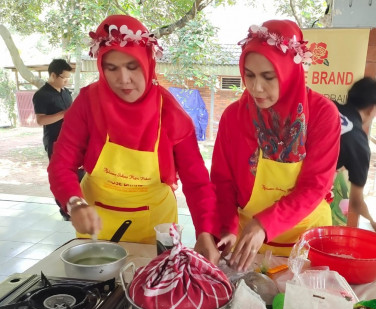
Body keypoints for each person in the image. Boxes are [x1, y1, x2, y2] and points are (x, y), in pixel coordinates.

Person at [47, 15, 220, 262]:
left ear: (147, 63)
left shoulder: (170, 113)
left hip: (155, 228)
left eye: (132, 66)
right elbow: (61, 163)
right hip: (96, 225)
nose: (123, 79)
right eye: (112, 68)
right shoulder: (88, 103)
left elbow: (197, 182)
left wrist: (205, 232)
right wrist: (74, 202)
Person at [211, 20, 341, 271]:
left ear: (290, 73)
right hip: (248, 243)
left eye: (268, 77)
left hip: (305, 240)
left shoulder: (322, 114)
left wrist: (265, 224)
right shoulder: (234, 117)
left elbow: (315, 186)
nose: (256, 88)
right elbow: (222, 182)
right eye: (249, 75)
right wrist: (226, 226)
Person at [331, 77, 376, 233]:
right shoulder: (359, 143)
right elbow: (356, 202)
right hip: (302, 198)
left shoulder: (326, 106)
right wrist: (373, 222)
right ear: (373, 108)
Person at [33, 59, 74, 220]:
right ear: (52, 75)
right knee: (59, 174)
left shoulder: (66, 92)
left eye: (68, 78)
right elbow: (41, 120)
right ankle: (65, 210)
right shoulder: (41, 95)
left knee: (74, 172)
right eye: (64, 78)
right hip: (54, 141)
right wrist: (63, 114)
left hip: (70, 139)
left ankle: (74, 203)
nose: (66, 81)